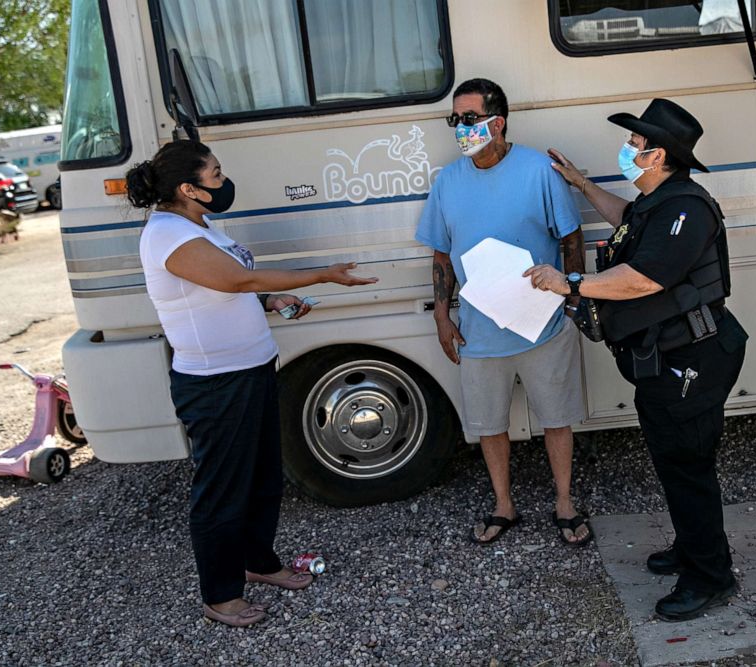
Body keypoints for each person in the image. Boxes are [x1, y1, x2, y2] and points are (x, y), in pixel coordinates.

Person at [126, 140, 377, 627]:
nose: (225, 181)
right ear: (188, 188)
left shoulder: (199, 224)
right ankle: (219, 596)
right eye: (216, 175)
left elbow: (222, 293)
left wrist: (273, 303)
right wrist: (321, 275)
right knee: (222, 490)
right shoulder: (166, 236)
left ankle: (258, 563)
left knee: (262, 478)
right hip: (216, 383)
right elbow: (239, 281)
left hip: (252, 367)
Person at [525, 99, 748, 620]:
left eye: (634, 144)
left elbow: (646, 277)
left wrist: (572, 282)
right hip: (665, 361)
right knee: (675, 464)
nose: (627, 150)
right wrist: (582, 185)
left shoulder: (687, 208)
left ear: (657, 155)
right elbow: (625, 220)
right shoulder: (655, 202)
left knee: (689, 468)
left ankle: (711, 577)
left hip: (692, 360)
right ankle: (694, 548)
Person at [414, 78, 592, 546]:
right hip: (479, 332)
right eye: (456, 119)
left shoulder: (538, 170)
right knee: (490, 425)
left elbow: (571, 237)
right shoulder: (448, 181)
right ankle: (503, 505)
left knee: (557, 417)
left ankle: (565, 502)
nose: (461, 128)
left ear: (499, 121)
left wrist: (573, 298)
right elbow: (440, 254)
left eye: (469, 118)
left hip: (544, 324)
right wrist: (441, 317)